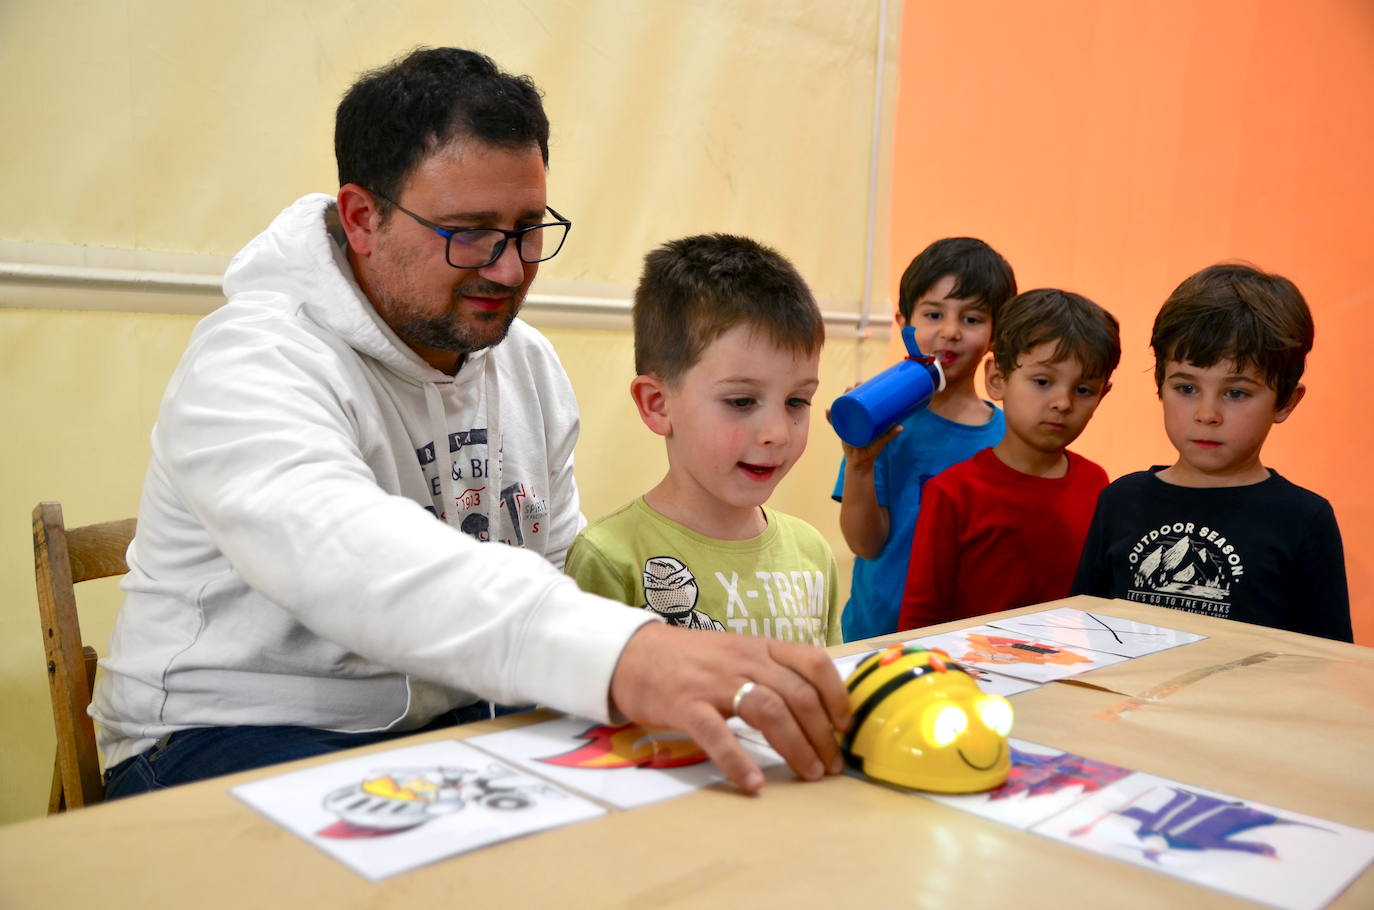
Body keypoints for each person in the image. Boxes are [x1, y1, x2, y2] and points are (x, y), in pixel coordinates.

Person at [90, 47, 850, 800]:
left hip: (456, 725)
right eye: (472, 231)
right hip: (226, 733)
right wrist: (629, 655)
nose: (510, 269)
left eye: (527, 229)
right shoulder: (255, 357)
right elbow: (345, 554)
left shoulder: (526, 364)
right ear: (362, 217)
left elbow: (549, 569)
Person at [564, 235, 840, 646]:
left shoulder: (812, 554)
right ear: (658, 405)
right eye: (741, 401)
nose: (778, 433)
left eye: (797, 401)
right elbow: (581, 704)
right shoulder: (610, 558)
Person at [1073, 264, 1352, 641]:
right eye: (1186, 389)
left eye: (1236, 393)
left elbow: (1328, 663)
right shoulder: (1119, 500)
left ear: (1285, 401)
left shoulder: (1303, 519)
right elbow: (1081, 633)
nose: (1207, 415)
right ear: (1160, 385)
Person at [897, 289, 1119, 630]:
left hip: (1070, 676)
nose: (1063, 402)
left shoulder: (1096, 484)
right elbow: (920, 618)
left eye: (1084, 390)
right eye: (1043, 381)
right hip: (971, 679)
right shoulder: (953, 492)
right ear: (997, 379)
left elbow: (1099, 609)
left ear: (1103, 395)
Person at [832, 237, 1016, 641]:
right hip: (877, 638)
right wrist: (860, 463)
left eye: (971, 319)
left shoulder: (1009, 438)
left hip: (970, 644)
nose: (949, 332)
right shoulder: (878, 420)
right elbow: (865, 545)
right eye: (934, 314)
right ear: (905, 324)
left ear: (996, 334)